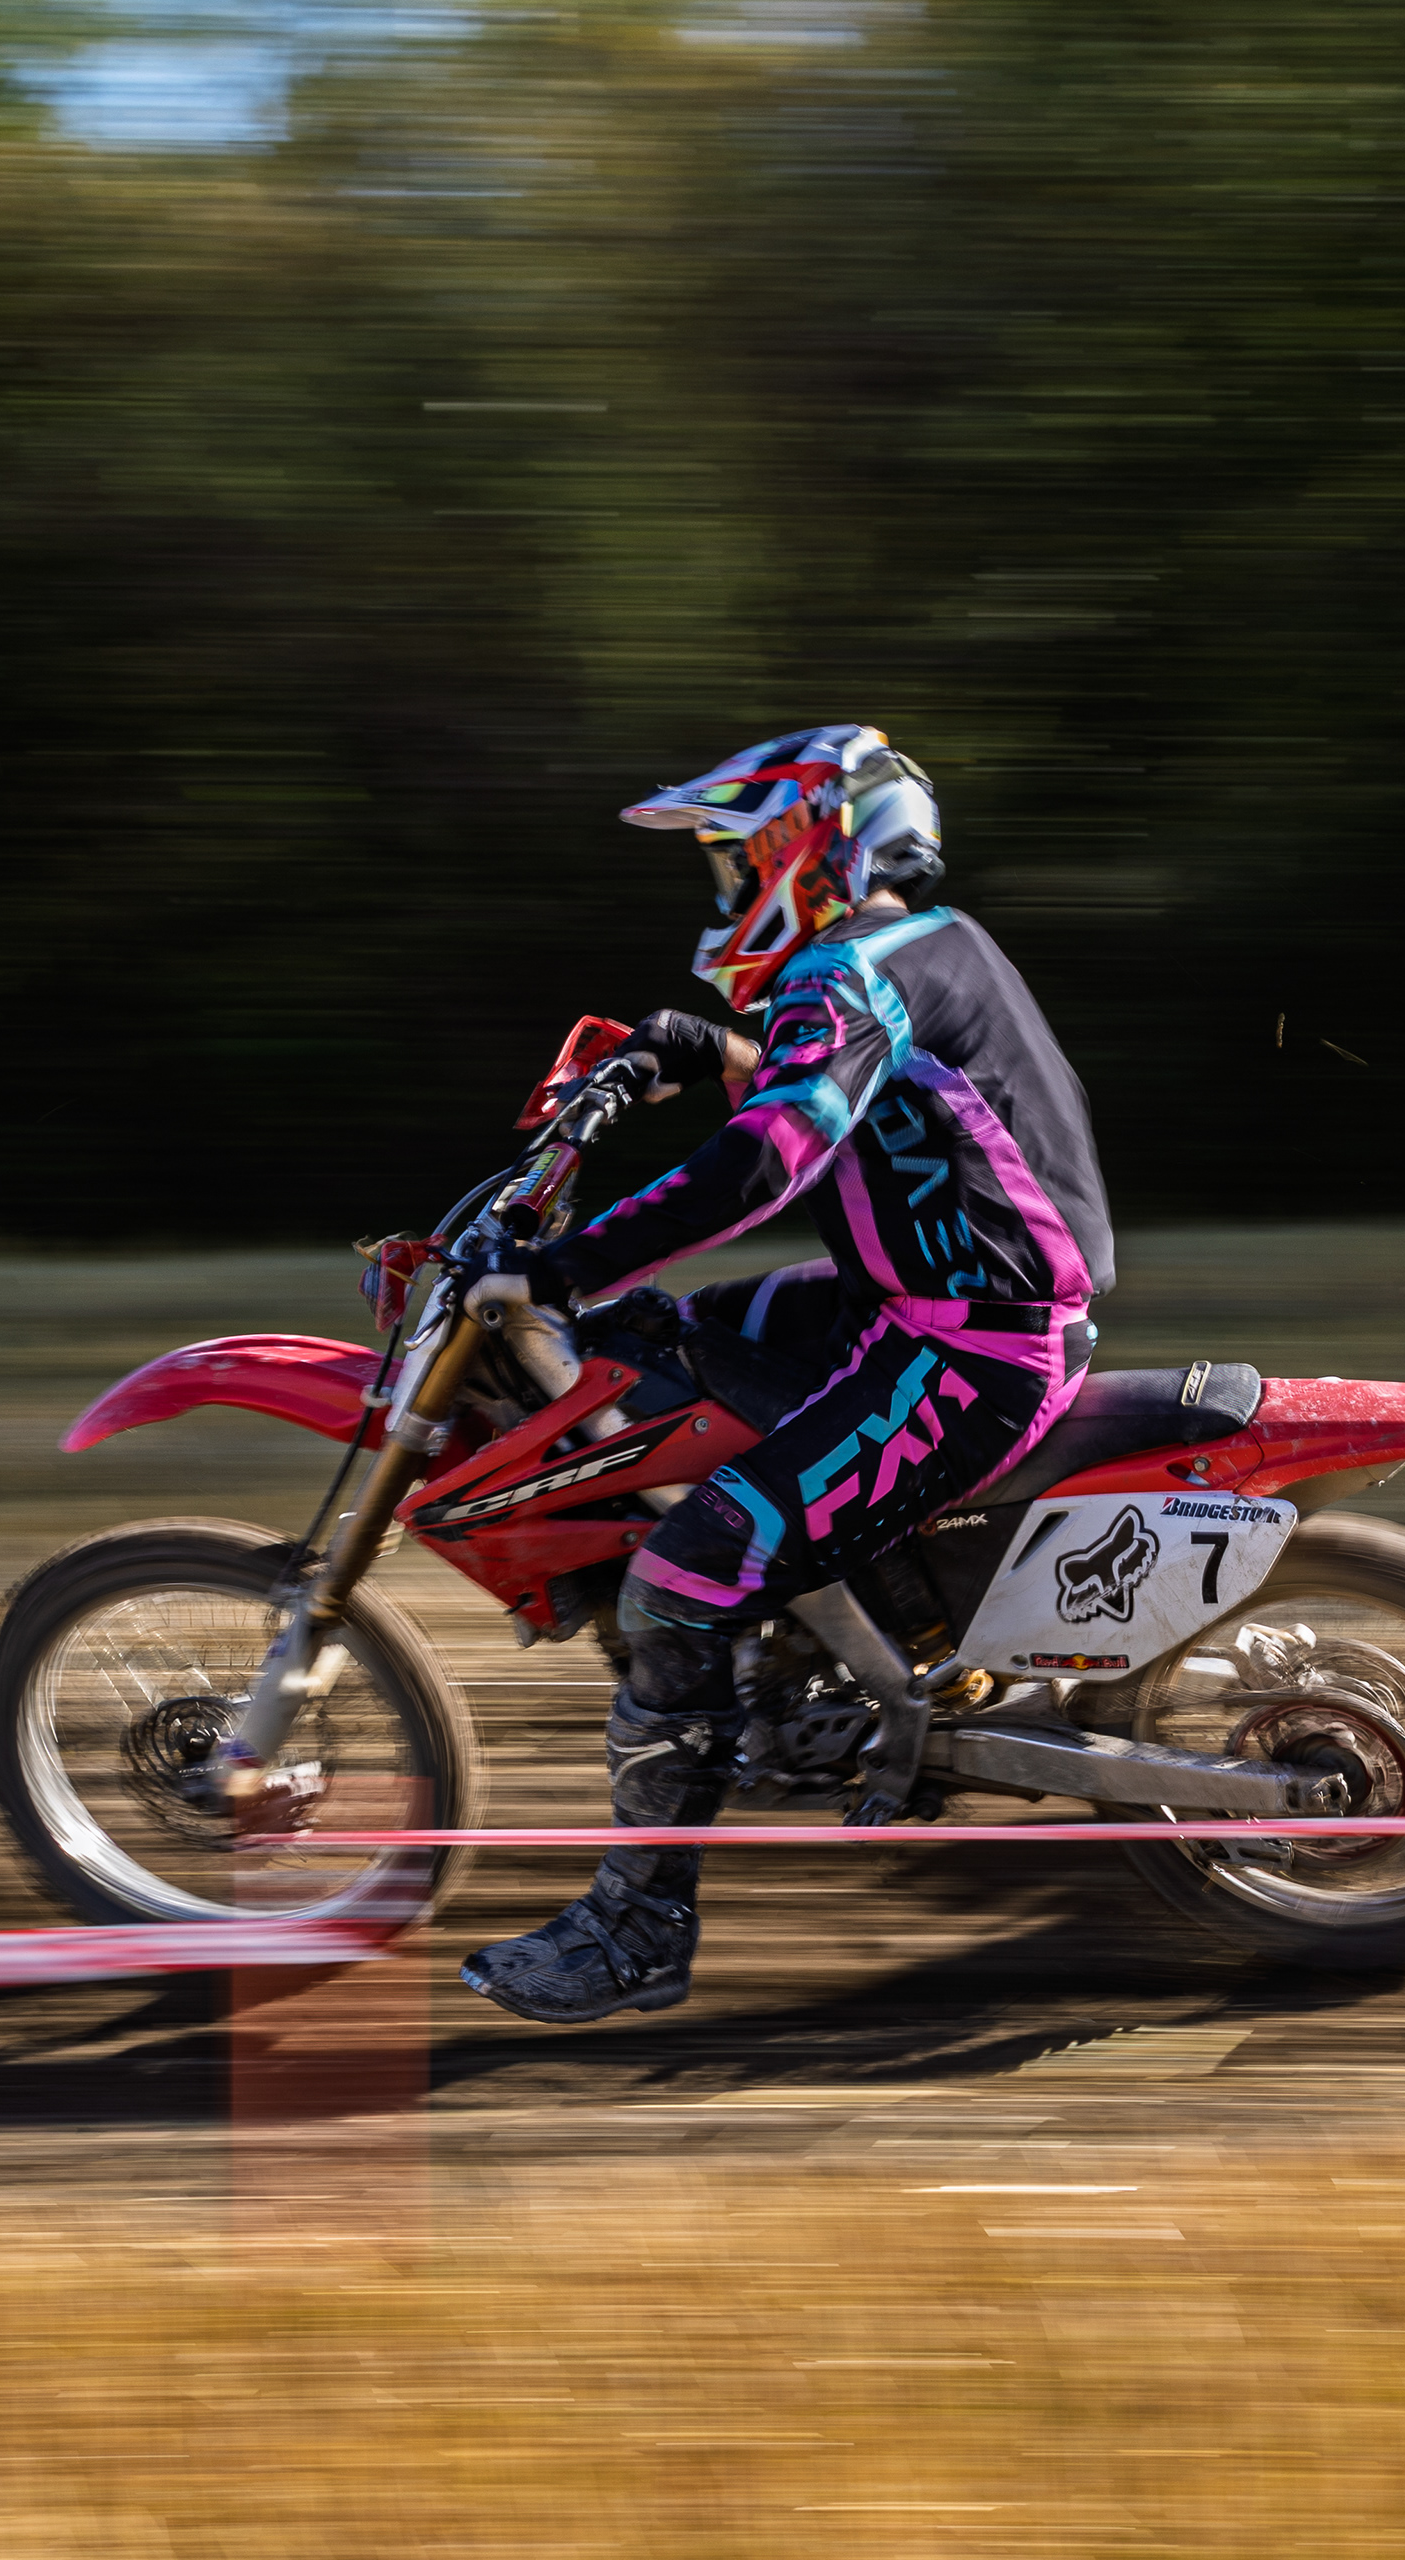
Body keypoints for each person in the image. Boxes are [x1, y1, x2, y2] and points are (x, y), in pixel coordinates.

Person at [450, 724, 1116, 2023]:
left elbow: (770, 1159)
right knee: (657, 1347)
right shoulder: (920, 949)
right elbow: (854, 1092)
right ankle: (834, 1626)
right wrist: (706, 1051)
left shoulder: (844, 969)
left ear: (812, 849)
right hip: (923, 1301)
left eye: (735, 860)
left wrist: (561, 1265)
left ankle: (638, 1928)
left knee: (682, 1575)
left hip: (965, 1345)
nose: (724, 888)